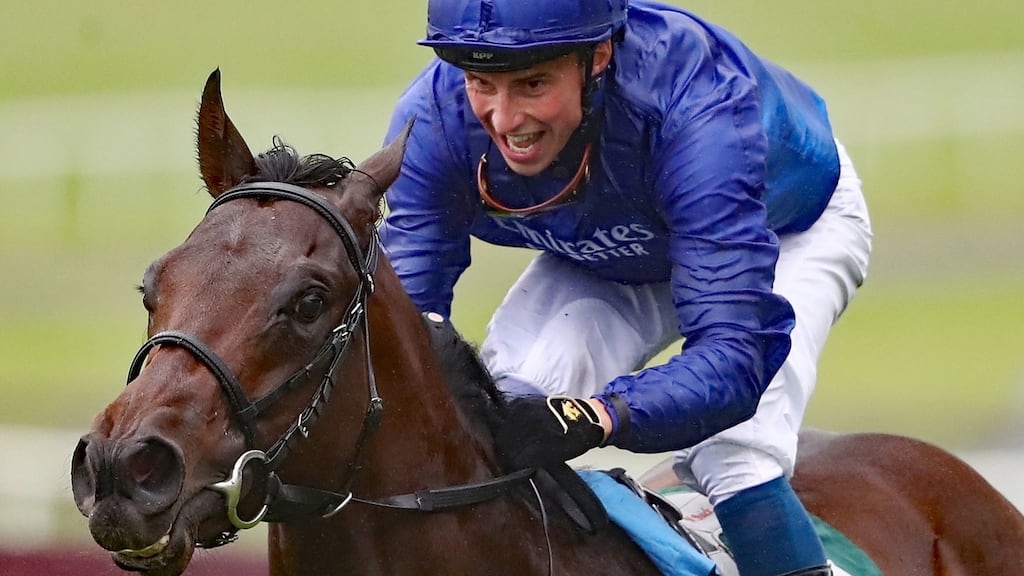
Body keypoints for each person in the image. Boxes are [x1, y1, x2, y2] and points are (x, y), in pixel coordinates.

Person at [378, 0, 871, 574]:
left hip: (781, 230)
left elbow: (734, 355)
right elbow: (401, 337)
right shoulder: (434, 117)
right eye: (481, 82)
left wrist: (601, 414)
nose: (504, 119)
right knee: (500, 414)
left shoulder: (696, 101)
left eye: (533, 83)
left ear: (598, 56)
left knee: (735, 455)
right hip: (611, 248)